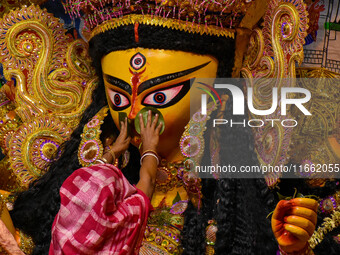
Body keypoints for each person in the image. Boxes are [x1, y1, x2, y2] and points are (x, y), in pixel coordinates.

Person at [0, 0, 323, 254]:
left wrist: (293, 249)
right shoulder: (92, 185)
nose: (137, 109)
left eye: (161, 94)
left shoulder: (236, 196)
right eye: (119, 95)